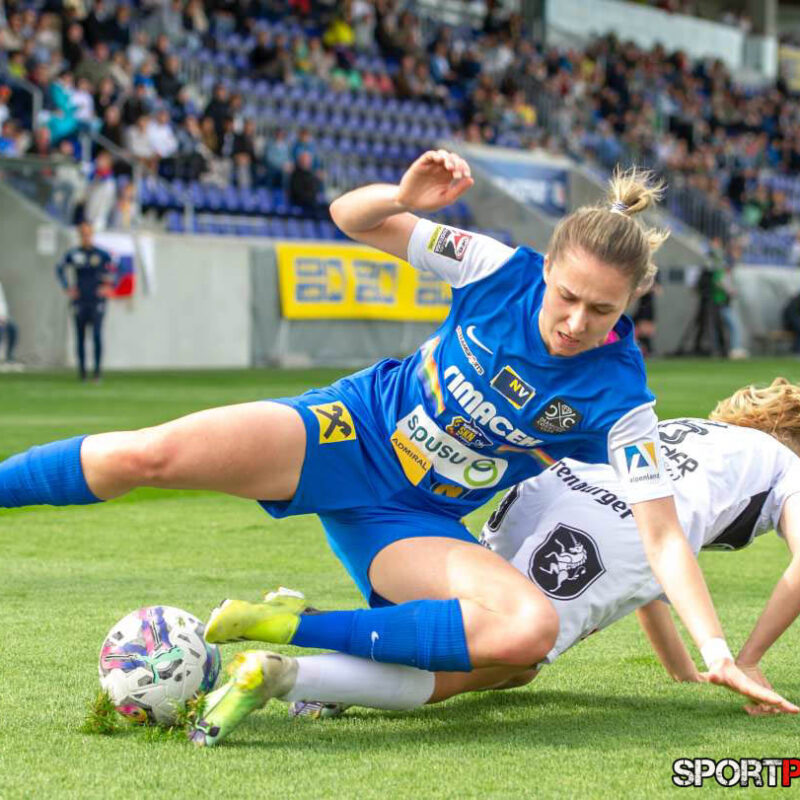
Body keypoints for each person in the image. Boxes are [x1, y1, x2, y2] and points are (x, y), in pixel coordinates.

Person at [1, 152, 793, 747]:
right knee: (149, 457)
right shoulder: (494, 269)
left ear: (630, 306)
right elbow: (353, 217)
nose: (577, 321)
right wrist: (403, 200)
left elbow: (660, 535)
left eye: (601, 310)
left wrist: (717, 649)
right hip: (344, 434)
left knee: (524, 637)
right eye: (567, 296)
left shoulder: (621, 395)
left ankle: (285, 631)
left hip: (409, 521)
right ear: (545, 270)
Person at [203, 380, 800, 726]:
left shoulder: (700, 430)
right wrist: (744, 659)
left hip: (555, 487)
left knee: (476, 621)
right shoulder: (786, 465)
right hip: (613, 532)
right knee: (507, 661)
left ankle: (316, 660)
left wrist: (678, 670)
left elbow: (657, 574)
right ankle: (297, 661)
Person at [55, 221, 115, 382]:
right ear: (80, 235)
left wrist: (109, 286)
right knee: (80, 337)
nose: (86, 237)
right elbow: (59, 268)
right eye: (83, 234)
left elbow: (119, 269)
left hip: (97, 301)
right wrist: (67, 287)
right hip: (80, 300)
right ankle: (82, 373)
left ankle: (97, 373)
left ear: (92, 234)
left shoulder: (102, 254)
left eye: (88, 233)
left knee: (96, 335)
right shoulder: (74, 254)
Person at [0, 279, 19, 365]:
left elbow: (2, 302)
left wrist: (3, 317)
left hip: (1, 318)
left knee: (13, 328)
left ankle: (9, 357)